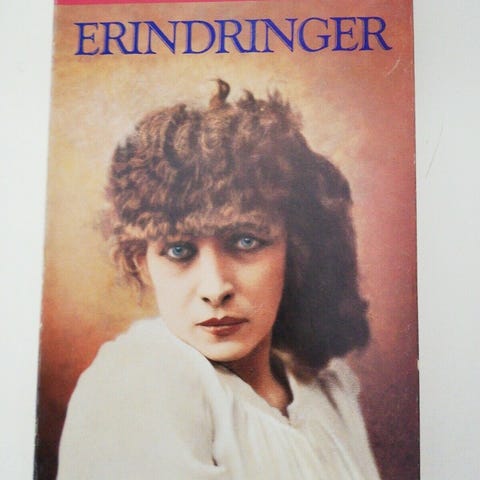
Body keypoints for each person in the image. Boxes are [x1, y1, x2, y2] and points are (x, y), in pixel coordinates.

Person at [57, 80, 381, 479]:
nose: (215, 289)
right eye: (179, 250)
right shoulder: (138, 380)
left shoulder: (328, 386)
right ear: (142, 262)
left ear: (294, 248)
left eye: (246, 241)